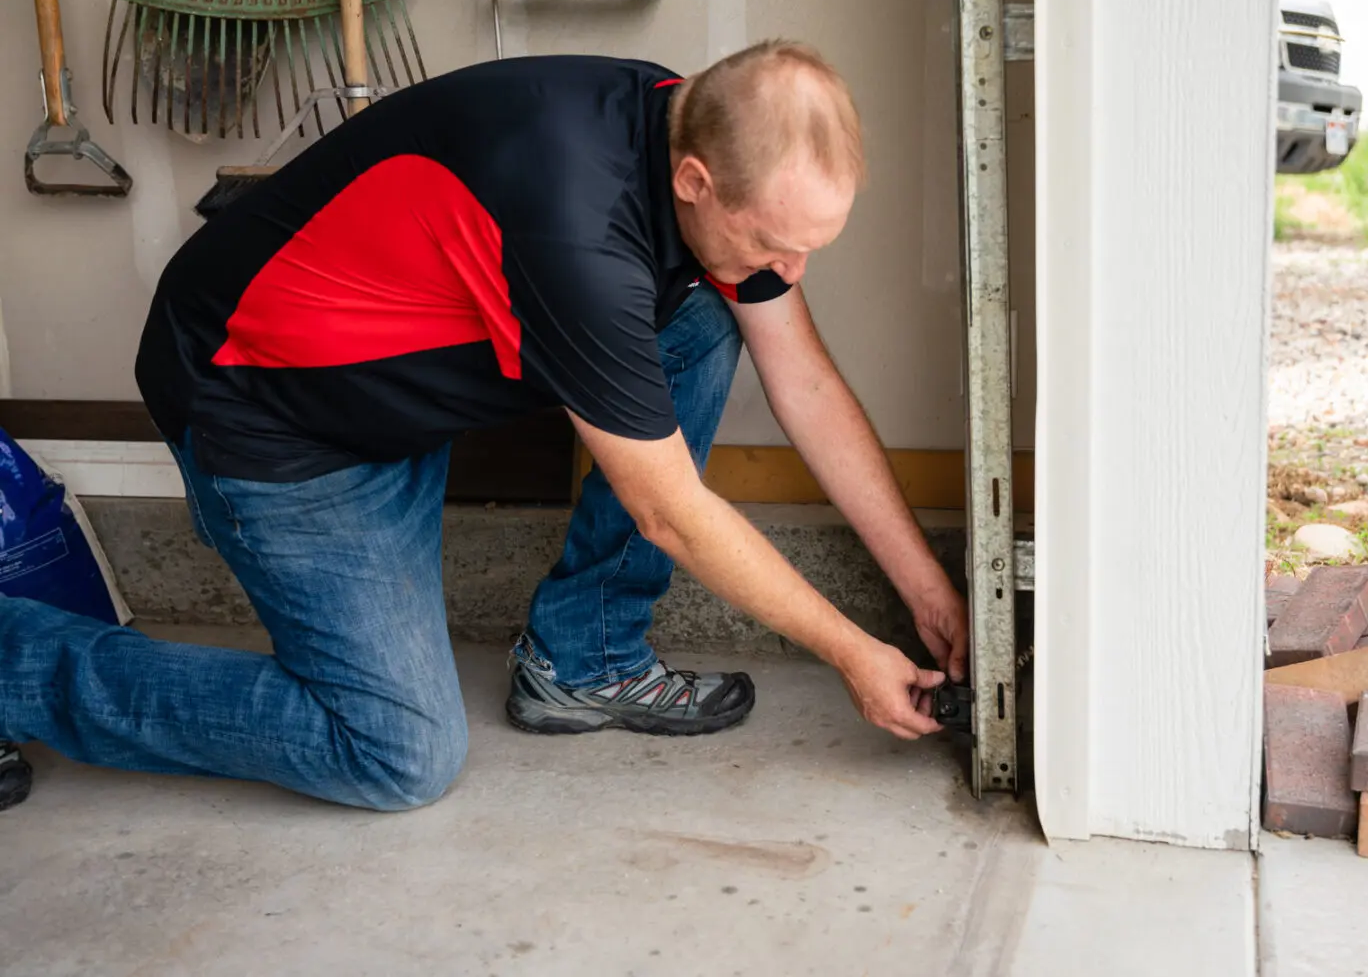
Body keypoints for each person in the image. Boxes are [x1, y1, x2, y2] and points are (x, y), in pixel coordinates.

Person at [0, 40, 968, 812]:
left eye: (808, 248)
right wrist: (853, 652)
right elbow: (669, 512)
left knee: (712, 314)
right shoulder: (579, 233)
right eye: (771, 242)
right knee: (395, 754)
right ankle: (13, 664)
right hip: (276, 418)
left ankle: (582, 659)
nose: (788, 271)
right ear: (692, 180)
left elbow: (799, 379)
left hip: (397, 384)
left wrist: (923, 587)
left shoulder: (693, 116)